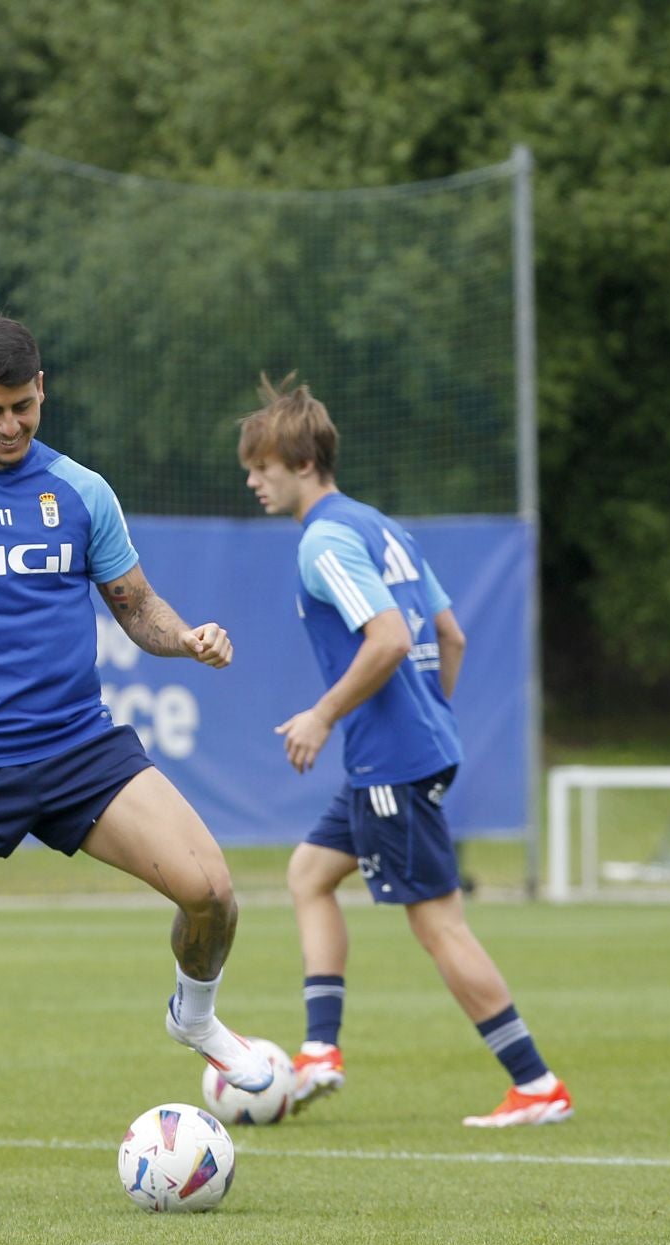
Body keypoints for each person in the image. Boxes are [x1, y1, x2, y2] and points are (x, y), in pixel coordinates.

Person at [0, 314, 274, 1208]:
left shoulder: (81, 491)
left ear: (44, 390)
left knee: (214, 892)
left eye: (24, 406)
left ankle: (193, 1015)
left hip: (80, 748)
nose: (10, 426)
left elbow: (136, 605)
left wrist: (184, 639)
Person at [238, 375, 572, 1128]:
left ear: (296, 460)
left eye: (259, 466)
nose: (252, 481)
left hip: (391, 760)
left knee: (439, 925)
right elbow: (447, 635)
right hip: (405, 752)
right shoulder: (380, 526)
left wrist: (323, 715)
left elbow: (387, 638)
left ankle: (536, 1081)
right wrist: (428, 715)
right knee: (309, 874)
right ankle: (320, 1049)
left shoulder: (324, 541)